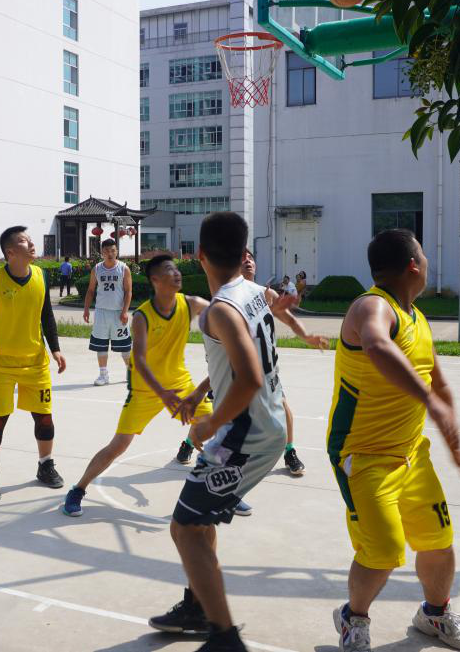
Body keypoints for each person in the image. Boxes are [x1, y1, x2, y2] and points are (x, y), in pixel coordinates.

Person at [329, 228, 460, 652]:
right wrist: (429, 402)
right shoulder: (372, 306)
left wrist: (456, 448)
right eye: (424, 255)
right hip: (363, 456)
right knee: (383, 551)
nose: (428, 261)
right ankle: (352, 619)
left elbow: (439, 383)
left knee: (438, 540)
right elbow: (377, 345)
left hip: (412, 453)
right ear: (414, 264)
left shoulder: (418, 318)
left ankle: (435, 615)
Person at [146, 212, 286, 652]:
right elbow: (242, 357)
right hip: (264, 424)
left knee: (184, 528)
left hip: (245, 434)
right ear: (244, 253)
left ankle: (224, 638)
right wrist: (201, 391)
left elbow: (249, 378)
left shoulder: (220, 310)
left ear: (199, 255)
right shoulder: (254, 293)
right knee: (198, 520)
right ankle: (199, 605)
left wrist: (210, 420)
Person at [61, 253, 214, 517]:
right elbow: (140, 360)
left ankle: (213, 476)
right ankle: (78, 489)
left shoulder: (190, 303)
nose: (177, 273)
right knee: (118, 445)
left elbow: (222, 312)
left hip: (179, 382)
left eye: (176, 269)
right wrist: (162, 393)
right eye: (169, 270)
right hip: (146, 389)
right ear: (155, 279)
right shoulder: (143, 316)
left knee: (215, 423)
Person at [176, 250, 327, 482]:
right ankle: (194, 446)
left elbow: (288, 318)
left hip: (261, 374)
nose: (247, 260)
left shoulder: (264, 294)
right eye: (242, 257)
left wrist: (306, 336)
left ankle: (288, 452)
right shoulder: (229, 299)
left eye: (251, 257)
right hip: (238, 372)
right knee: (222, 416)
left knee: (271, 412)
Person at [0, 226, 67, 500]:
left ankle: (45, 465)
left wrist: (55, 349)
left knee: (45, 418)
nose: (31, 243)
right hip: (1, 365)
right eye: (23, 241)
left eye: (30, 239)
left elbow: (46, 315)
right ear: (10, 252)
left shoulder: (41, 276)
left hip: (36, 363)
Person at [83, 239, 133, 386]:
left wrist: (125, 311)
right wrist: (86, 309)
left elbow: (128, 292)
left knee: (125, 346)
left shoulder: (123, 268)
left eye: (112, 250)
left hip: (118, 313)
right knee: (101, 344)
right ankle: (103, 375)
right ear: (102, 253)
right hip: (101, 312)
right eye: (106, 251)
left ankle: (131, 372)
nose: (110, 254)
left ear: (116, 251)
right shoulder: (97, 269)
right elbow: (90, 290)